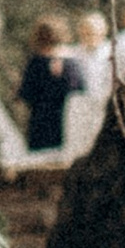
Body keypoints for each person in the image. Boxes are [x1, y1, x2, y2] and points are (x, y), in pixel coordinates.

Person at [17, 16, 85, 155]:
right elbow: (79, 91)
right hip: (67, 119)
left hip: (41, 121)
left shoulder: (36, 62)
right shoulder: (72, 61)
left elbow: (26, 94)